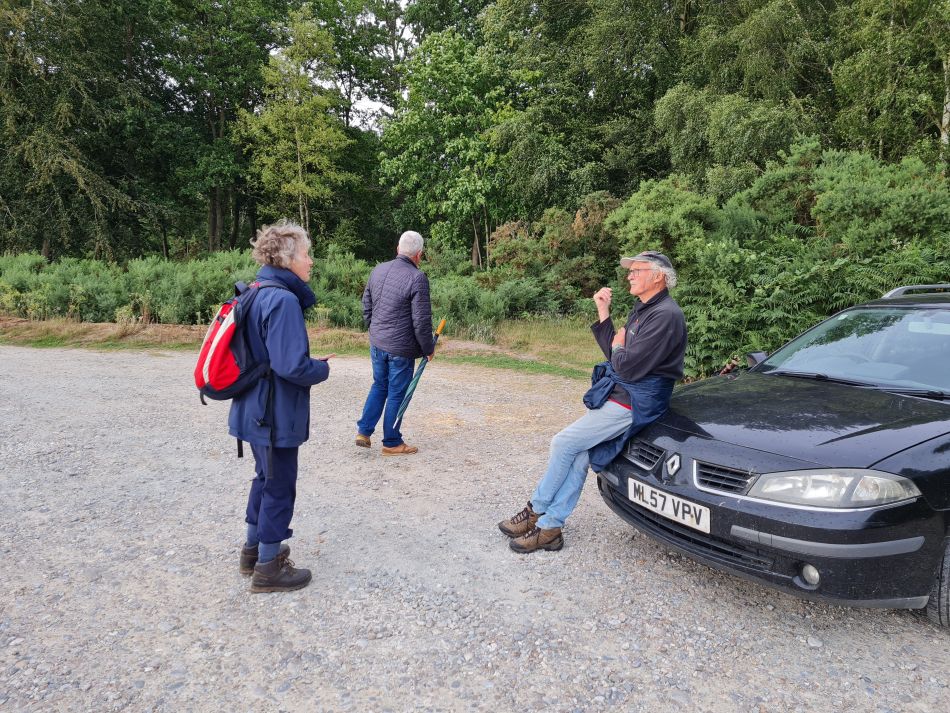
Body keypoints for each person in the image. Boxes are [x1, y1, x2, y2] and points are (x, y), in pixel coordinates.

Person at [498, 251, 687, 553]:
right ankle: (550, 528)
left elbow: (625, 365)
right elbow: (617, 355)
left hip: (637, 400)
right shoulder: (645, 309)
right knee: (579, 455)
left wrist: (619, 347)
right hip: (626, 392)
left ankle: (535, 509)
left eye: (637, 270)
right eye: (630, 271)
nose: (630, 275)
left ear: (658, 276)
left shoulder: (665, 315)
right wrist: (604, 312)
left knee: (563, 443)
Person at [230, 220, 331, 592]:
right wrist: (321, 368)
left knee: (264, 478)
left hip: (253, 409)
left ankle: (253, 550)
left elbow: (271, 356)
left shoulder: (255, 291)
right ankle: (269, 568)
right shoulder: (284, 300)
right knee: (279, 485)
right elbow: (291, 367)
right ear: (288, 259)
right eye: (306, 254)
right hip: (274, 413)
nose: (311, 261)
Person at [355, 230, 435, 455]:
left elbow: (366, 304)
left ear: (398, 249)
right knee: (396, 393)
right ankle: (391, 442)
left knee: (379, 385)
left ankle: (363, 431)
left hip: (378, 342)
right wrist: (428, 348)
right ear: (419, 255)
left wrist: (373, 328)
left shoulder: (378, 269)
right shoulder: (417, 278)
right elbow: (421, 321)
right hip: (400, 348)